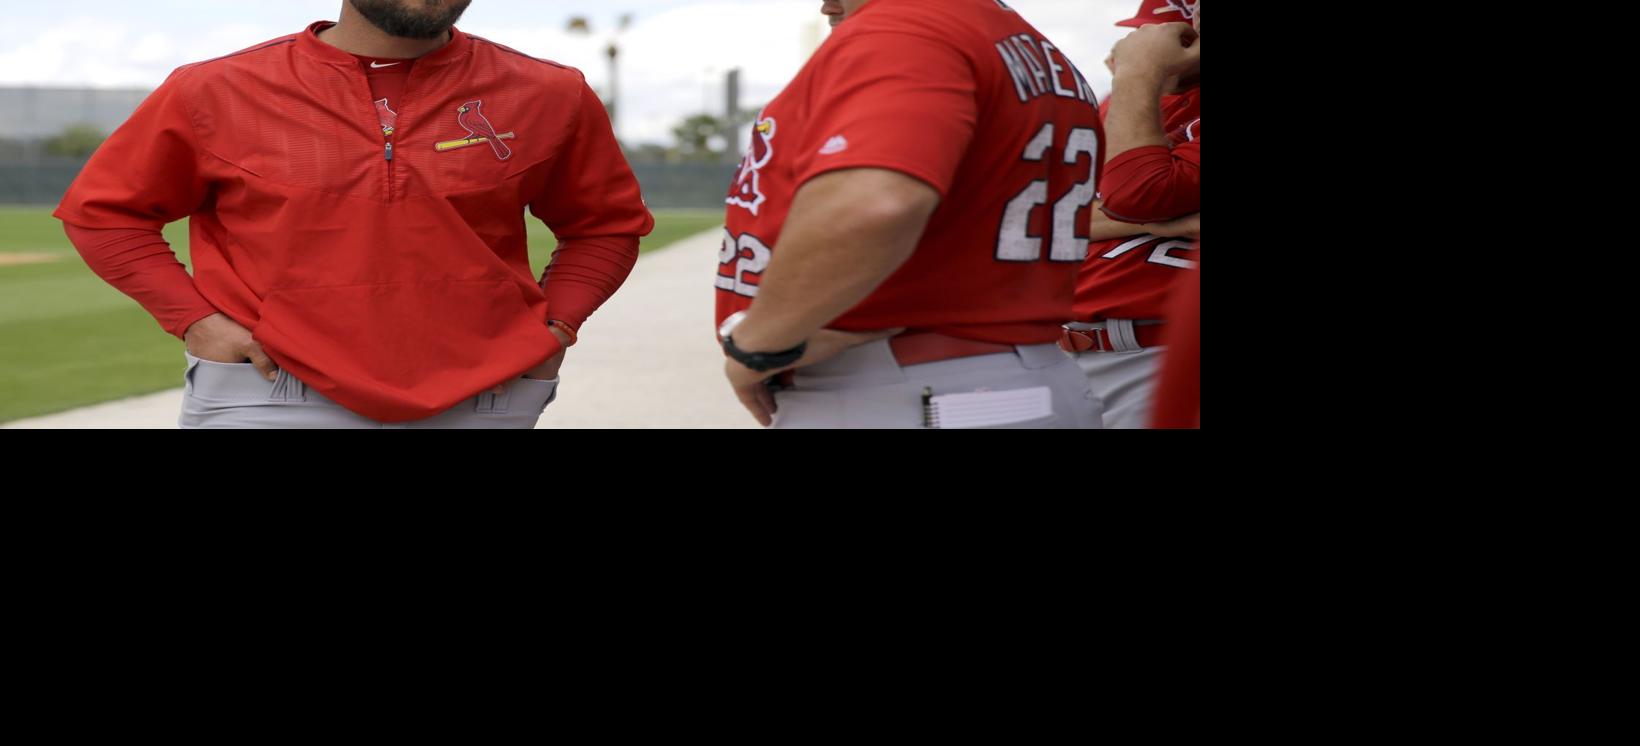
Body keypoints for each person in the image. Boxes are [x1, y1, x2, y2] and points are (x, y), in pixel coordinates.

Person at [56, 0, 653, 428]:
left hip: (486, 393)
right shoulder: (213, 89)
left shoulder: (550, 92)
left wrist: (557, 327)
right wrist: (195, 320)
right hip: (267, 387)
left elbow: (605, 224)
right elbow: (104, 212)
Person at [714, 0, 1106, 429]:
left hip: (912, 389)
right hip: (1009, 375)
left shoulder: (906, 26)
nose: (827, 4)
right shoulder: (1024, 40)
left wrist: (758, 346)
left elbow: (874, 203)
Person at [1061, 0, 1200, 428]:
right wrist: (1174, 220)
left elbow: (1138, 193)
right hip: (1068, 354)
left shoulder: (1135, 88)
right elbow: (1053, 216)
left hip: (1162, 349)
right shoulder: (1127, 103)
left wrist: (1138, 73)